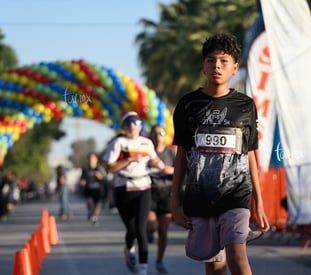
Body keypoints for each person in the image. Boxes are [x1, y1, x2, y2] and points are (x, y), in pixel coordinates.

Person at [170, 32, 270, 275]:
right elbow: (181, 155)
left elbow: (250, 156)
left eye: (224, 61)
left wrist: (259, 202)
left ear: (234, 68)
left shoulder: (245, 105)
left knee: (237, 257)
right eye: (211, 60)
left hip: (237, 196)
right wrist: (175, 202)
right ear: (203, 66)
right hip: (200, 197)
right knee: (215, 267)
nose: (217, 66)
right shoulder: (187, 105)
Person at [103, 111, 169, 275]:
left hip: (143, 188)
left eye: (136, 122)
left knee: (141, 230)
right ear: (124, 126)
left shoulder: (146, 143)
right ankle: (128, 249)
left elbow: (155, 161)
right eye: (129, 122)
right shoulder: (119, 143)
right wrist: (129, 159)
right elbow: (109, 168)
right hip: (124, 188)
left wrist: (168, 169)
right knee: (131, 230)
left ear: (140, 126)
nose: (133, 125)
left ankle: (143, 269)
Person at [146, 125, 176, 274]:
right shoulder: (147, 153)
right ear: (151, 136)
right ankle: (148, 232)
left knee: (163, 231)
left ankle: (159, 260)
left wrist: (171, 170)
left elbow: (182, 170)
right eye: (155, 133)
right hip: (149, 192)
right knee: (151, 225)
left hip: (165, 193)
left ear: (165, 136)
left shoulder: (171, 152)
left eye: (161, 133)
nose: (158, 136)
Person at [79, 152, 106, 225]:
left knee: (97, 205)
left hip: (98, 189)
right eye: (90, 159)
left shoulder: (100, 168)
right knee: (90, 202)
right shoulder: (85, 168)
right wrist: (82, 182)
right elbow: (82, 179)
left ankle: (95, 217)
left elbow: (105, 178)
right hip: (88, 189)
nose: (92, 160)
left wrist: (100, 177)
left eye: (93, 159)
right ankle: (90, 211)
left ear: (96, 159)